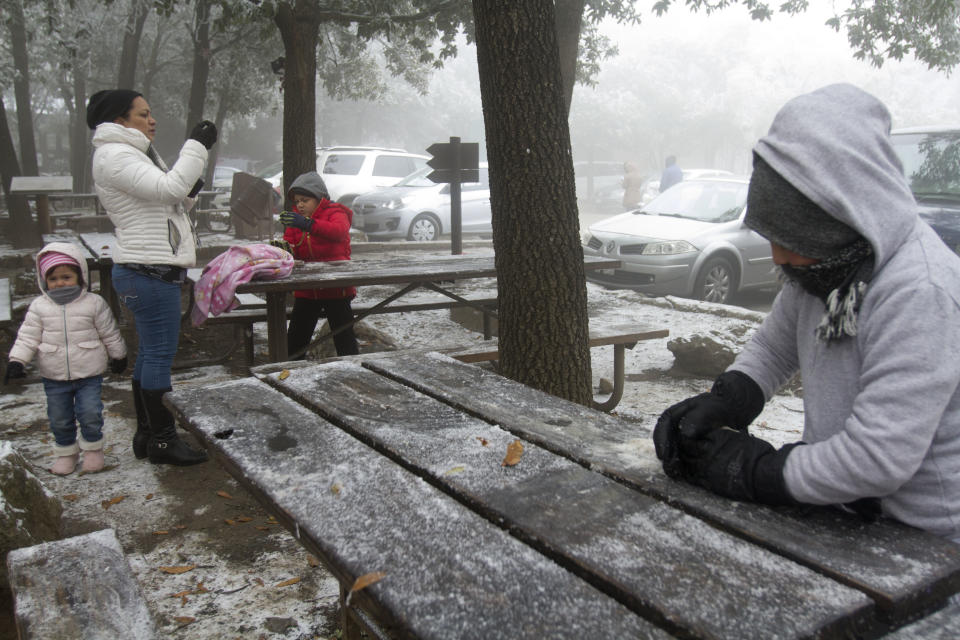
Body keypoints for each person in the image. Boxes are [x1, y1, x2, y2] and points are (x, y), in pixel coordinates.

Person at [652, 83, 960, 545]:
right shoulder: (828, 267)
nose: (780, 256)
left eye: (795, 240)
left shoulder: (920, 291)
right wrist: (732, 396)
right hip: (844, 509)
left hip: (924, 539)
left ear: (844, 216)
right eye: (772, 236)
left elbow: (877, 460)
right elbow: (775, 347)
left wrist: (756, 472)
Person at [87, 88, 217, 466]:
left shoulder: (130, 153)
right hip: (147, 270)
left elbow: (174, 198)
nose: (152, 119)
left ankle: (147, 434)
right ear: (119, 120)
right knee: (159, 355)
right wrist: (195, 146)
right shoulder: (116, 156)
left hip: (146, 267)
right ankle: (162, 440)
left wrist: (191, 180)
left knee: (149, 354)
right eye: (143, 114)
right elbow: (168, 189)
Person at [4, 243, 128, 475]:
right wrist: (17, 361)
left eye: (66, 277)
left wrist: (118, 355)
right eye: (53, 279)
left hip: (89, 372)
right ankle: (66, 453)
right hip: (54, 375)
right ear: (44, 282)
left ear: (80, 276)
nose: (60, 283)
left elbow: (109, 332)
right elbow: (27, 337)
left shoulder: (94, 303)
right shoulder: (40, 307)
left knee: (90, 413)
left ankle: (93, 451)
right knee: (59, 418)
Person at [278, 171, 359, 359]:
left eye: (305, 200)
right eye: (297, 201)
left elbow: (338, 232)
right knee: (297, 337)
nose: (300, 205)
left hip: (336, 287)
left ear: (318, 198)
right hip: (308, 288)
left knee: (344, 336)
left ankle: (352, 367)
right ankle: (290, 370)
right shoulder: (296, 220)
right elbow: (291, 244)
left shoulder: (335, 212)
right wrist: (283, 249)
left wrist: (308, 224)